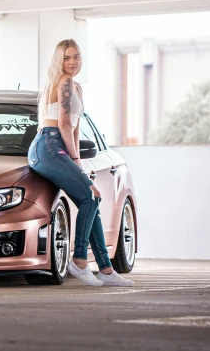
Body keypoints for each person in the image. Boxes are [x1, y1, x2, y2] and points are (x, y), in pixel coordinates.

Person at [28, 39, 133, 288]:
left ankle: (106, 270)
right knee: (89, 196)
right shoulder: (63, 82)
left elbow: (74, 128)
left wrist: (81, 165)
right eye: (67, 58)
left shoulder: (76, 87)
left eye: (76, 57)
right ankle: (79, 261)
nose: (72, 62)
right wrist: (75, 159)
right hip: (49, 145)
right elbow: (63, 123)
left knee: (91, 199)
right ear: (59, 61)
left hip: (59, 146)